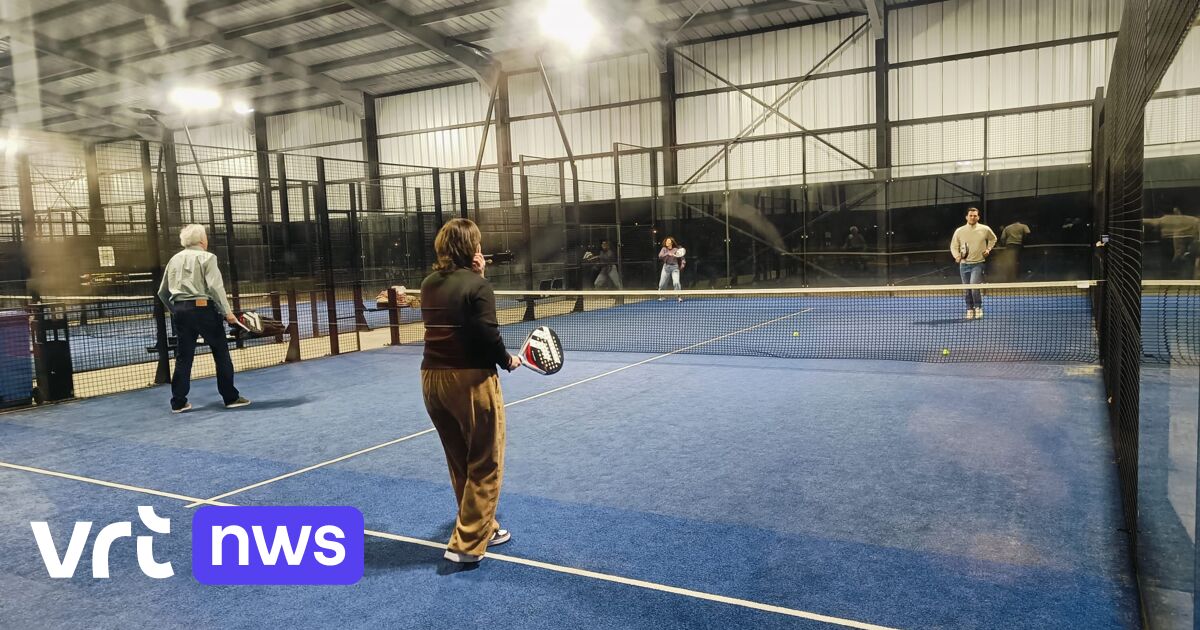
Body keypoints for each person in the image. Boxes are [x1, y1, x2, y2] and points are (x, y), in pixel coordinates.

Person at [420, 218, 521, 564]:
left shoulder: (429, 283)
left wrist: (476, 277)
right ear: (471, 249)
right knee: (485, 461)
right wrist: (507, 361)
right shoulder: (479, 287)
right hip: (470, 381)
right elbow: (486, 334)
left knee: (459, 457)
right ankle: (466, 546)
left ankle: (483, 524)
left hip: (432, 381)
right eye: (477, 243)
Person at [156, 224, 250, 413]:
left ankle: (178, 402)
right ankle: (230, 397)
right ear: (201, 240)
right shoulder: (208, 258)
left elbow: (162, 292)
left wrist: (176, 310)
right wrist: (228, 313)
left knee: (184, 357)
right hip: (203, 309)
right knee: (221, 353)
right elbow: (216, 288)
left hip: (181, 311)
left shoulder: (174, 260)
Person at [950, 207, 996, 320]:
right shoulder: (959, 231)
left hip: (978, 263)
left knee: (974, 287)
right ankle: (969, 309)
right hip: (964, 264)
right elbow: (953, 246)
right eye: (970, 215)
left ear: (978, 217)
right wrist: (956, 256)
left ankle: (978, 308)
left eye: (975, 215)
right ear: (967, 217)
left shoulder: (985, 229)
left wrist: (988, 249)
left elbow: (993, 239)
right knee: (967, 289)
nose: (972, 217)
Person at [657, 236, 684, 302]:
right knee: (662, 284)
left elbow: (681, 257)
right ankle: (662, 297)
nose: (667, 242)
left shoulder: (676, 249)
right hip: (666, 267)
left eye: (668, 241)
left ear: (671, 242)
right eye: (666, 241)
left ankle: (679, 297)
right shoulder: (664, 249)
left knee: (676, 282)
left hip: (675, 268)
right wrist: (667, 253)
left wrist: (683, 263)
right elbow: (660, 256)